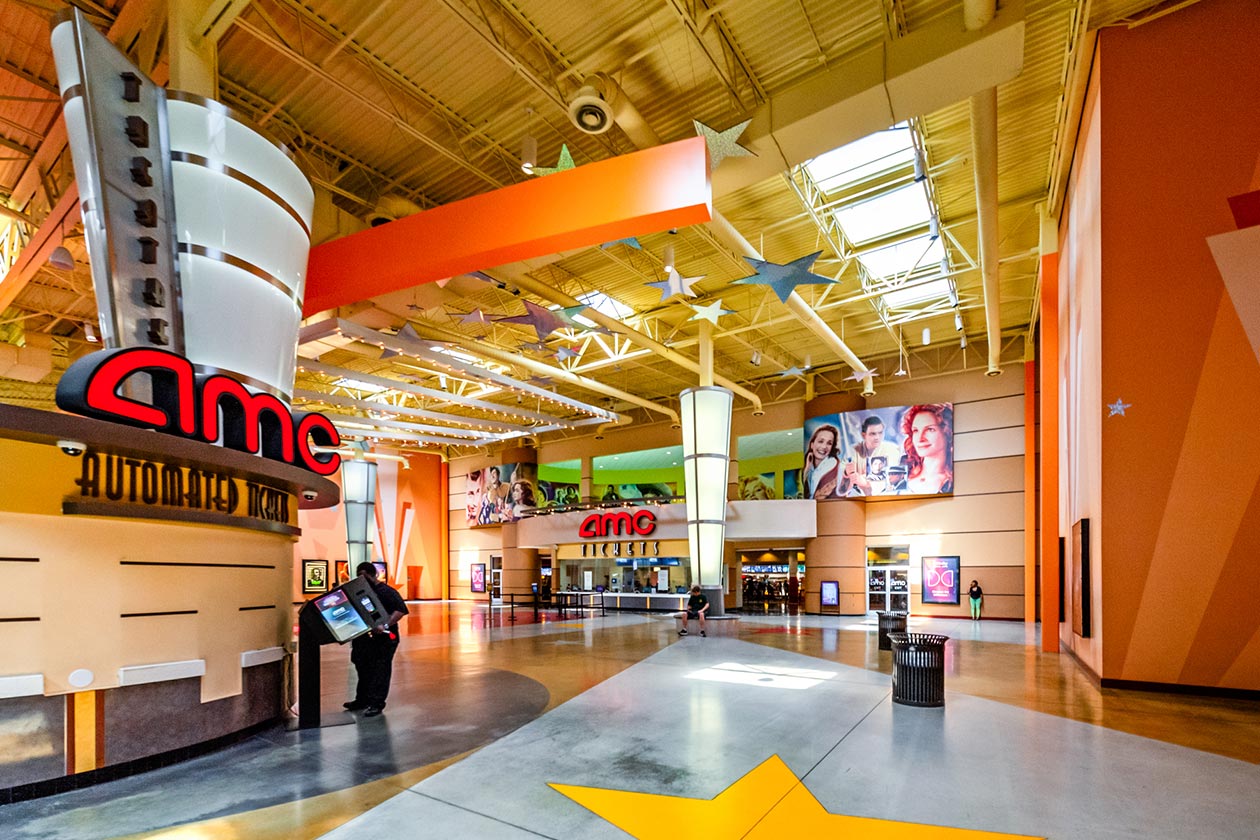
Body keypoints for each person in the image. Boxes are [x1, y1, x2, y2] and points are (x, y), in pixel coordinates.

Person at [344, 562, 409, 717]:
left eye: (366, 576)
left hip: (384, 639)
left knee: (380, 670)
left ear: (374, 575)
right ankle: (362, 699)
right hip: (363, 639)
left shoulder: (387, 591)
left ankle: (376, 703)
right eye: (360, 576)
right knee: (362, 667)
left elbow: (400, 610)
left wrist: (385, 625)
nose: (363, 580)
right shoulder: (358, 591)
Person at [895, 404, 954, 495]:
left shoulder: (951, 482)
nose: (920, 438)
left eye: (930, 429)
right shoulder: (903, 470)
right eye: (916, 430)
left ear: (948, 433)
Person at [840, 416, 903, 496]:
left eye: (880, 433)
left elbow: (891, 479)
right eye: (872, 434)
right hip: (858, 498)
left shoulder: (892, 449)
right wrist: (846, 473)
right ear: (863, 435)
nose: (877, 437)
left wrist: (864, 482)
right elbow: (841, 490)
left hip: (885, 498)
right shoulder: (852, 451)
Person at [803, 424, 842, 499]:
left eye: (829, 443)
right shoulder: (808, 465)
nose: (824, 447)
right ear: (812, 444)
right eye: (821, 441)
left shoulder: (836, 469)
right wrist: (806, 470)